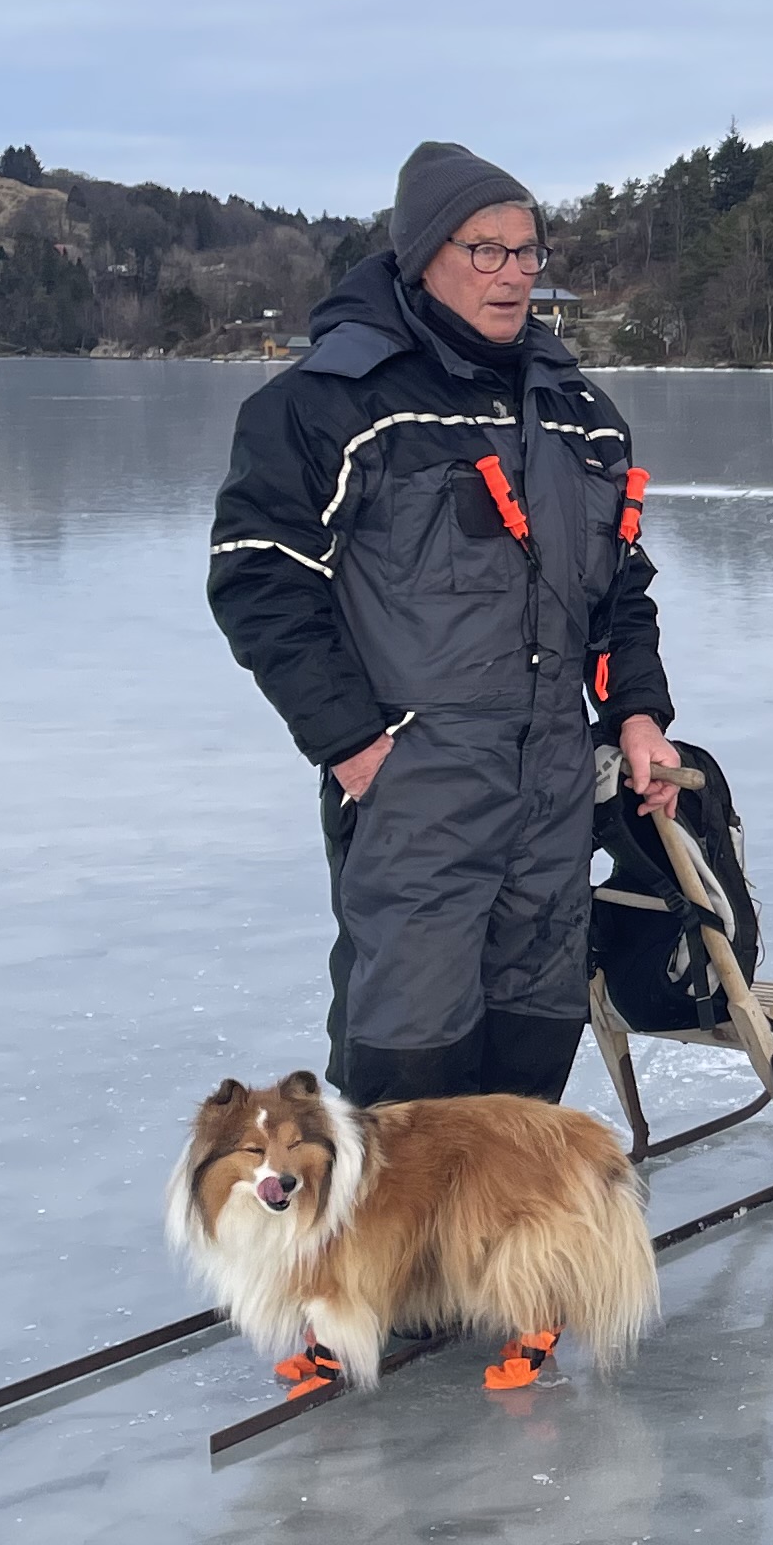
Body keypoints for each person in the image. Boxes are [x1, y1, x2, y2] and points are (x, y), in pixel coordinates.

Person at [206, 141, 684, 1105]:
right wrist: (349, 742)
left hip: (550, 791)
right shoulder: (330, 404)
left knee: (528, 1062)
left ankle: (498, 1256)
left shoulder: (579, 413)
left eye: (527, 252)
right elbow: (259, 579)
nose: (512, 275)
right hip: (418, 790)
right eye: (485, 251)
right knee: (406, 1067)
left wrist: (638, 713)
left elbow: (620, 586)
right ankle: (395, 1259)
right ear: (424, 254)